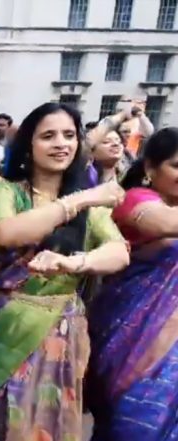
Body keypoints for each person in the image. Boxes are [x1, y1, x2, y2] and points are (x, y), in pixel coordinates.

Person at [0, 102, 130, 440]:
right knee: (2, 424)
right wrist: (80, 201)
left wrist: (73, 263)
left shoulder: (87, 201)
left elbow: (118, 252)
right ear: (29, 145)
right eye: (48, 136)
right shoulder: (7, 191)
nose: (61, 144)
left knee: (49, 424)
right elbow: (6, 232)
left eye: (69, 135)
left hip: (60, 329)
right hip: (0, 329)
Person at [87, 128, 178, 441]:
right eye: (177, 166)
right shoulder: (134, 199)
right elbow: (167, 224)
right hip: (132, 341)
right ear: (151, 169)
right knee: (133, 425)